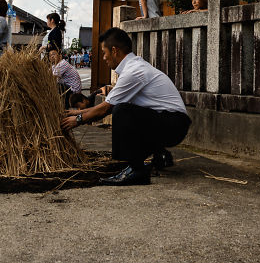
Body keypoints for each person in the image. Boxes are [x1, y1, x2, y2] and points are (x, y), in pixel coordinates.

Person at [61, 27, 191, 186]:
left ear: (114, 50)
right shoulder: (133, 66)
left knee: (121, 111)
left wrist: (77, 120)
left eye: (104, 52)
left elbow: (106, 108)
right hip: (171, 122)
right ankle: (160, 155)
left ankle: (136, 170)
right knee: (124, 109)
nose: (103, 57)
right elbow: (106, 105)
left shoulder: (133, 71)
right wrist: (75, 113)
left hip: (174, 125)